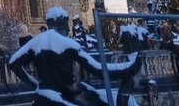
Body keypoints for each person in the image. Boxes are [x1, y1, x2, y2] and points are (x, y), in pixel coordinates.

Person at [10, 6, 140, 106]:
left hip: (45, 94)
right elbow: (98, 69)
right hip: (71, 94)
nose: (68, 29)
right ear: (62, 24)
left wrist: (35, 84)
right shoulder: (68, 44)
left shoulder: (36, 43)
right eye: (67, 25)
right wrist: (129, 68)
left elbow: (13, 63)